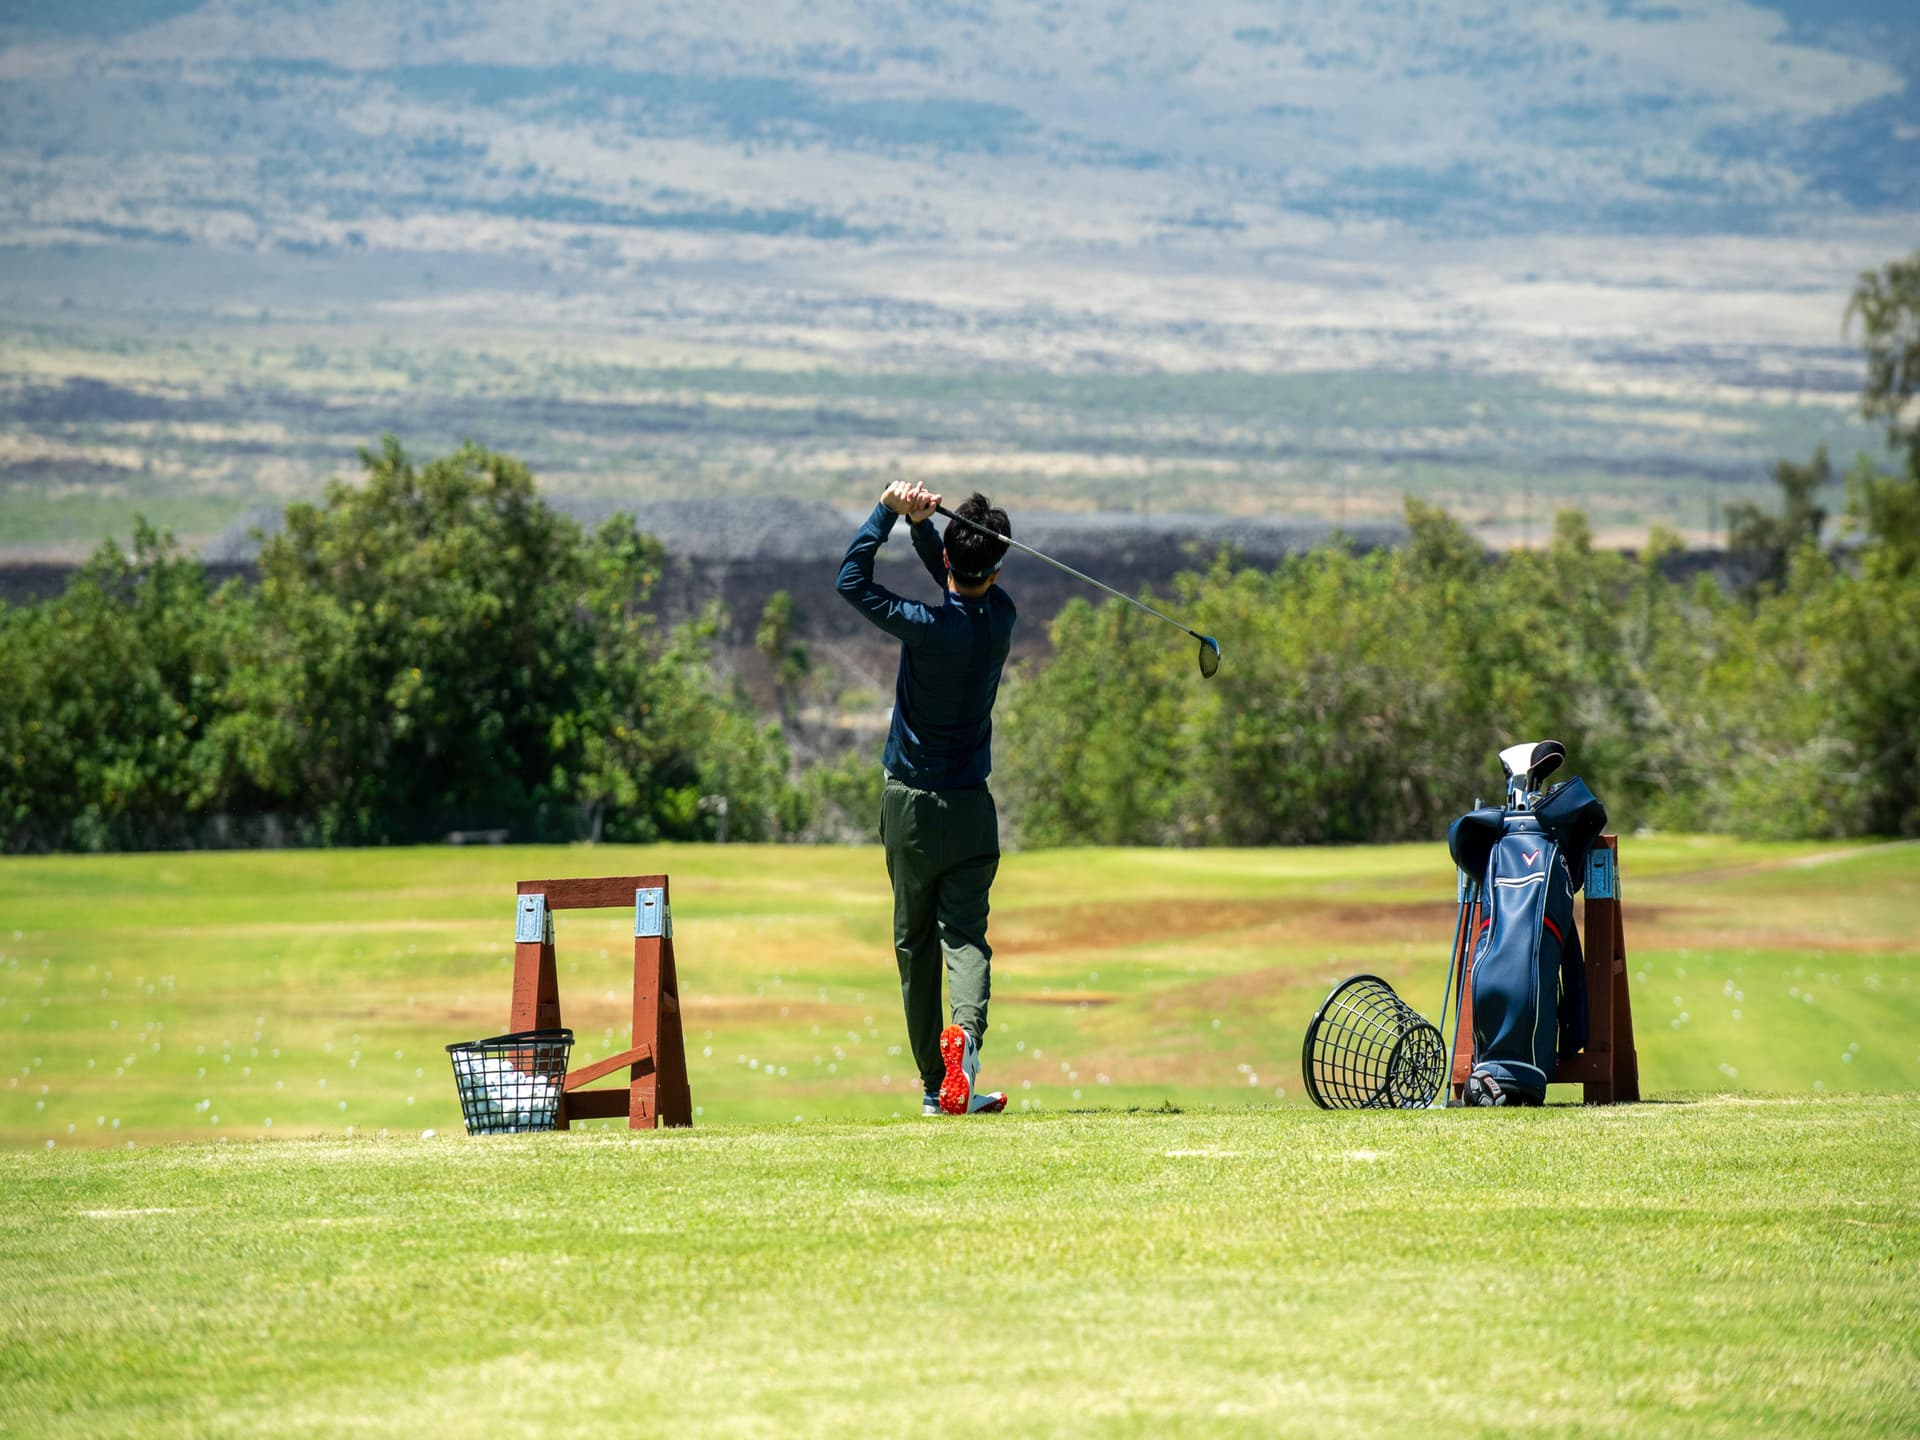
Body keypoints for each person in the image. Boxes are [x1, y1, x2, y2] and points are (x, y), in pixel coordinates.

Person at [835, 480, 1017, 1116]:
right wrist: (922, 530)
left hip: (912, 809)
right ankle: (963, 1041)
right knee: (964, 938)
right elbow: (960, 581)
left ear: (949, 564)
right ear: (996, 571)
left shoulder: (924, 626)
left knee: (915, 946)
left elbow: (851, 582)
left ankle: (937, 1086)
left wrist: (887, 513)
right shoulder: (1003, 619)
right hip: (972, 810)